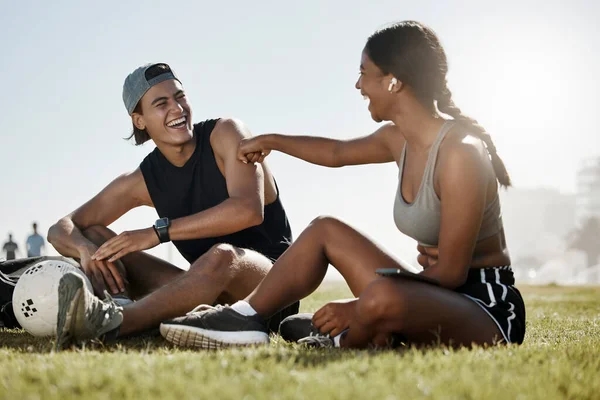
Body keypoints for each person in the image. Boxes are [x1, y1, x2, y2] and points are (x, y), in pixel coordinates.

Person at [159, 21, 526, 349]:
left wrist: (359, 305)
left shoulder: (461, 153)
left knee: (382, 296)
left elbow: (450, 274)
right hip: (433, 294)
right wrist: (273, 141)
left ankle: (352, 332)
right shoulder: (397, 139)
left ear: (393, 81)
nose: (358, 84)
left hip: (484, 306)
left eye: (364, 73)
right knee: (325, 229)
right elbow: (336, 152)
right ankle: (244, 318)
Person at [49, 63, 297, 349]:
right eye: (161, 103)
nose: (178, 108)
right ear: (139, 120)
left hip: (272, 292)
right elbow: (62, 228)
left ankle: (111, 322)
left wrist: (157, 233)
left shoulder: (226, 134)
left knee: (222, 256)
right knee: (95, 236)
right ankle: (123, 304)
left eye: (180, 97)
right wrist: (85, 250)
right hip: (204, 289)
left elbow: (248, 210)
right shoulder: (145, 179)